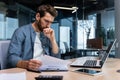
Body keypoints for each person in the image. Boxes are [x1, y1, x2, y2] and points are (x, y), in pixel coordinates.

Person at [7, 4, 59, 71]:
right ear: (38, 16)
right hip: (27, 71)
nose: (48, 25)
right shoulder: (21, 32)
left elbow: (56, 57)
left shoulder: (47, 33)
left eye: (51, 22)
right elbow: (12, 57)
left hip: (45, 70)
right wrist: (27, 64)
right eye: (46, 21)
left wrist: (53, 39)